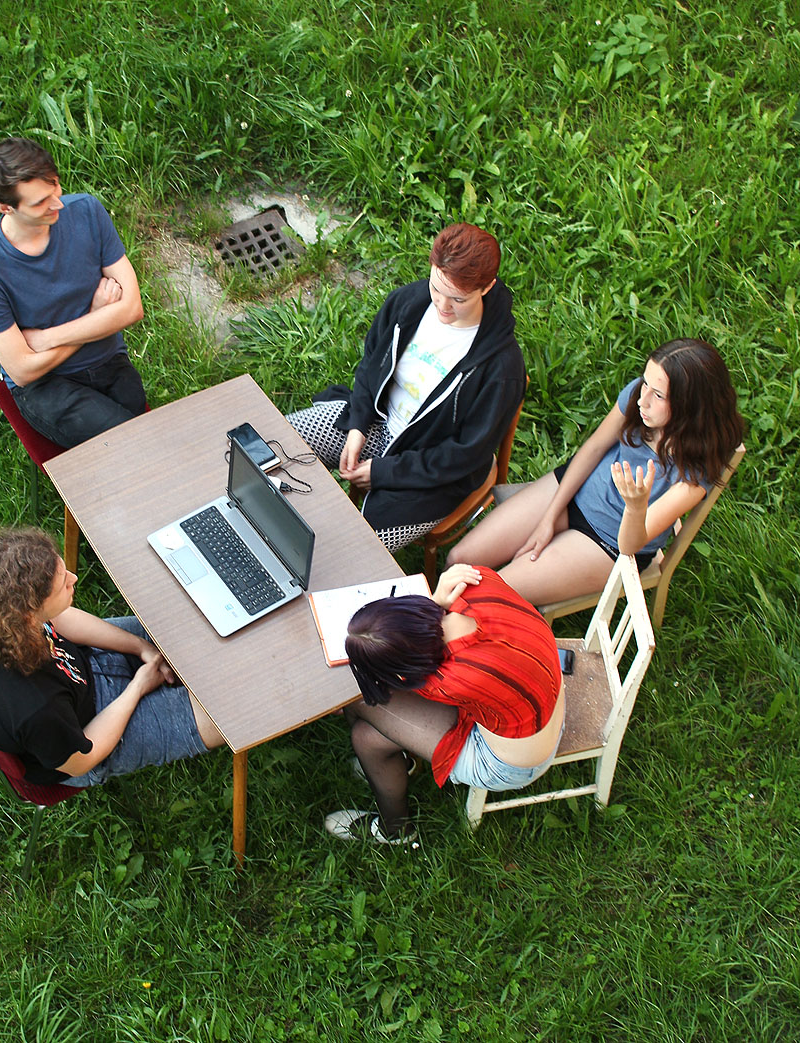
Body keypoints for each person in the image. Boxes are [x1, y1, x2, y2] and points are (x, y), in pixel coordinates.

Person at [447, 337, 745, 607]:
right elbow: (593, 449)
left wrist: (636, 505)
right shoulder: (640, 399)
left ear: (689, 407)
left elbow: (631, 545)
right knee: (458, 560)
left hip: (608, 542)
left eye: (658, 395)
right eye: (645, 383)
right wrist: (548, 518)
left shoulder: (695, 468)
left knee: (481, 597)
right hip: (576, 490)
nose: (642, 400)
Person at [286, 224, 525, 552]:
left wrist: (386, 473)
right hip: (376, 425)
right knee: (278, 443)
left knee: (354, 550)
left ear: (487, 287)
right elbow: (371, 366)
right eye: (436, 288)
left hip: (429, 473)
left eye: (458, 299)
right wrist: (357, 426)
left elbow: (464, 456)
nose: (442, 306)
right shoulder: (408, 302)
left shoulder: (502, 369)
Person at [0, 528, 223, 788]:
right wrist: (138, 687)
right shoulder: (35, 708)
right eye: (63, 584)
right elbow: (81, 759)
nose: (74, 578)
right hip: (87, 738)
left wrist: (139, 646)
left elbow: (59, 619)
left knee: (190, 623)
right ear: (28, 614)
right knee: (224, 714)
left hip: (79, 675)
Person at [324, 564, 562, 847]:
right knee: (367, 738)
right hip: (542, 694)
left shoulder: (449, 679)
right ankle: (396, 768)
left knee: (361, 704)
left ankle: (395, 830)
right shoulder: (474, 580)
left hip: (510, 762)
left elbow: (390, 690)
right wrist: (434, 603)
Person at [0, 137, 146, 447]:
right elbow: (22, 370)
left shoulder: (87, 211)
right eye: (39, 202)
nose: (58, 203)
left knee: (133, 442)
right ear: (4, 207)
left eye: (55, 187)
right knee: (133, 443)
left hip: (108, 360)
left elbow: (132, 309)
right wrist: (97, 315)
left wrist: (47, 339)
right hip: (45, 385)